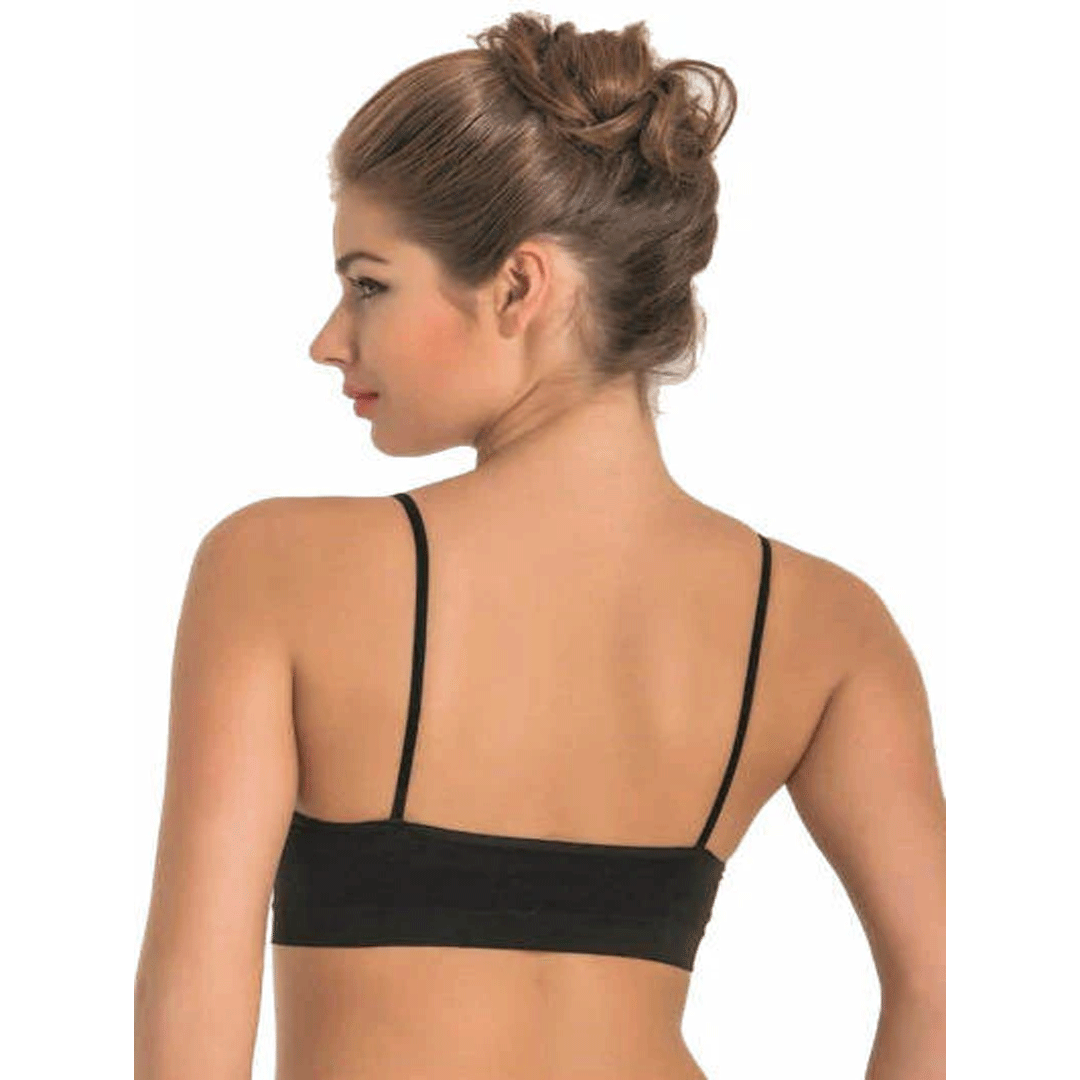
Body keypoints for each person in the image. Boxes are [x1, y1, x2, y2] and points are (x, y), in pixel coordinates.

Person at [134, 11, 946, 1080]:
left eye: (369, 283)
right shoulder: (826, 622)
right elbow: (942, 991)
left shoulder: (276, 568)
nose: (330, 341)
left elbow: (194, 1007)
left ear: (519, 287)